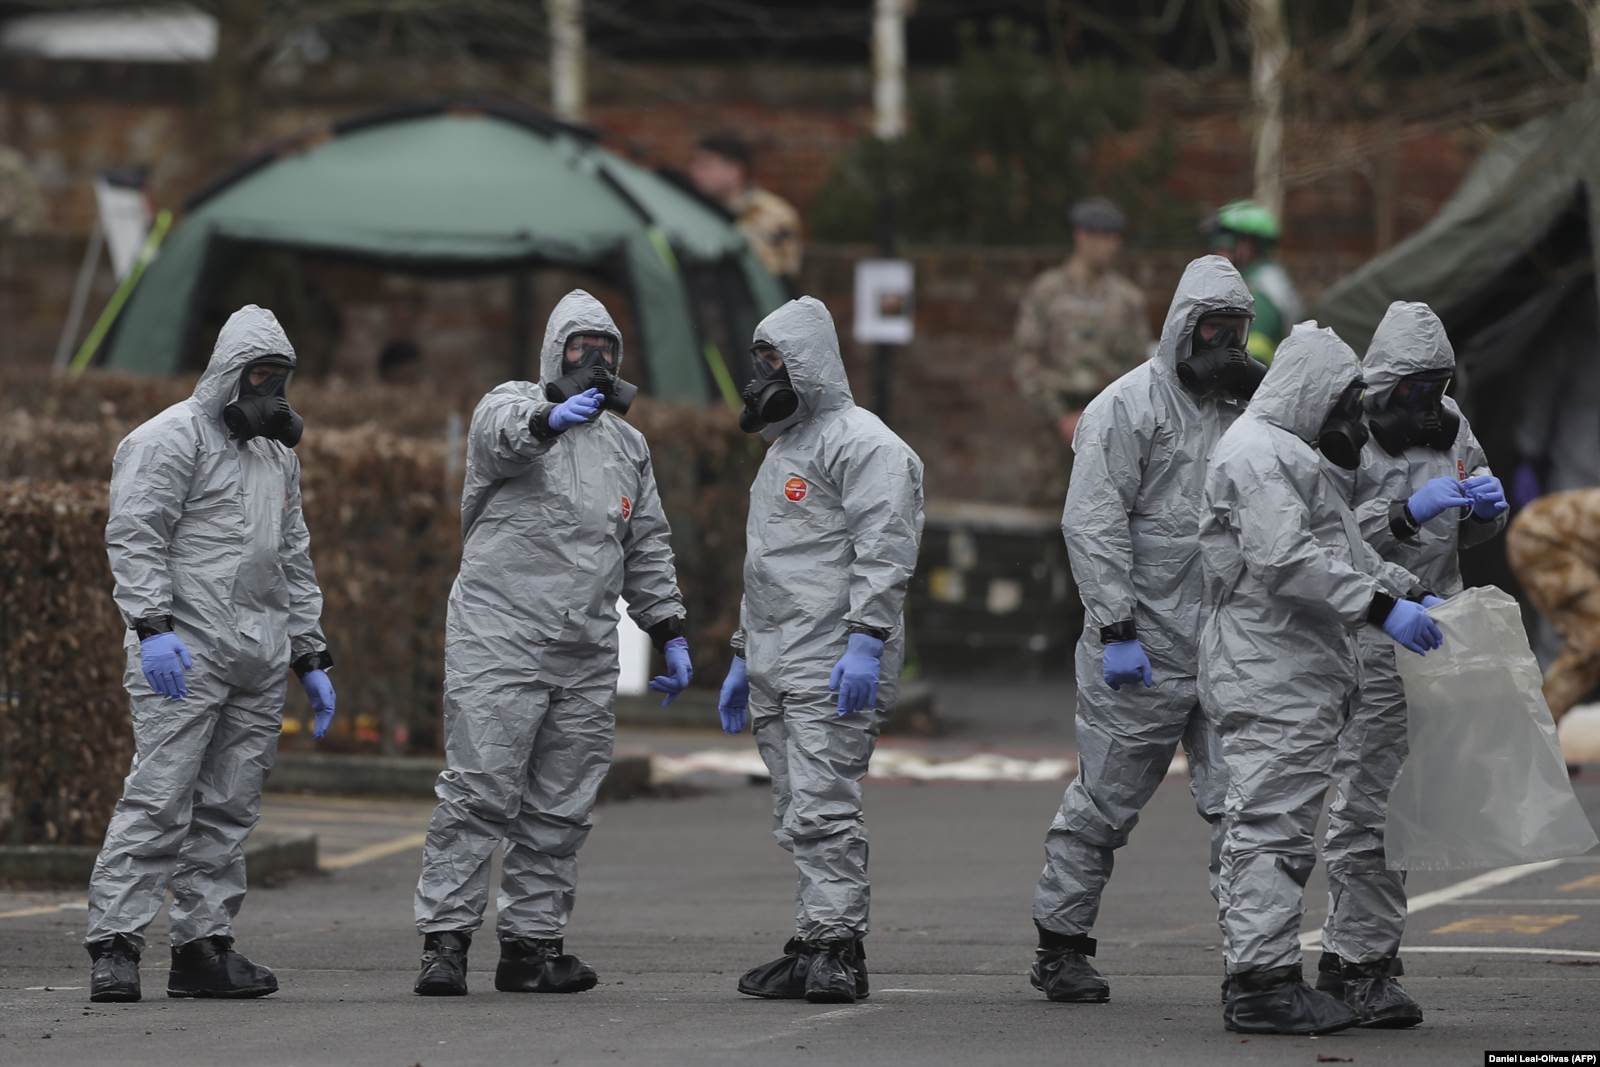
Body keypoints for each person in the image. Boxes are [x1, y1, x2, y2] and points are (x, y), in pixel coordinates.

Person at [412, 290, 692, 997]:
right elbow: (501, 433)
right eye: (579, 347)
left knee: (561, 805)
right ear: (553, 351)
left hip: (586, 646)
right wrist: (546, 418)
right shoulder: (511, 406)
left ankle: (532, 947)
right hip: (500, 636)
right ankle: (445, 943)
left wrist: (667, 627)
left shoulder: (627, 446)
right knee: (479, 791)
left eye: (605, 349)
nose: (593, 360)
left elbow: (645, 542)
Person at [85, 305, 336, 1004]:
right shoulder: (168, 439)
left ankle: (203, 946)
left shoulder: (277, 457)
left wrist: (310, 655)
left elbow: (292, 559)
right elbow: (136, 534)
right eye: (259, 375)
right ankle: (115, 943)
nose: (270, 391)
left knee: (229, 807)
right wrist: (152, 627)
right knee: (160, 798)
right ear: (228, 372)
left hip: (258, 657)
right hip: (184, 653)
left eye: (280, 377)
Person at [1029, 255, 1260, 1004]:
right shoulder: (1126, 407)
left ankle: (1257, 964)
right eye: (1212, 330)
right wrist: (1117, 625)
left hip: (1229, 646)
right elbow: (1093, 522)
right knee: (1103, 805)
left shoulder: (1248, 414)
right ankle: (1061, 945)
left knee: (1245, 809)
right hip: (1143, 646)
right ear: (1182, 326)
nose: (1225, 346)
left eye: (1236, 330)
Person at [1199, 322, 1439, 1036]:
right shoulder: (1256, 453)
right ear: (1313, 394)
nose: (1353, 424)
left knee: (1280, 824)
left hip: (1293, 668)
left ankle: (1265, 976)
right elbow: (1287, 562)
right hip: (1269, 666)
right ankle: (1261, 986)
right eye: (1344, 406)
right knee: (1270, 826)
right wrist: (1384, 609)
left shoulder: (1289, 453)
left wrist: (1411, 592)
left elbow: (1344, 549)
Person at [715, 296, 924, 1005]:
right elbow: (769, 566)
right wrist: (743, 653)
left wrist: (865, 641)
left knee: (823, 805)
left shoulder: (867, 445)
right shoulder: (784, 451)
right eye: (760, 362)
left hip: (832, 655)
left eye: (775, 360)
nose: (763, 376)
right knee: (796, 809)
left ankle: (836, 947)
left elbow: (885, 551)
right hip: (780, 657)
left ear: (808, 363)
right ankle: (815, 941)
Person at [1314, 301, 1506, 1028]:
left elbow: (1474, 528)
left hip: (1434, 630)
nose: (1429, 402)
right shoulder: (1347, 432)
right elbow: (1324, 536)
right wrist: (1402, 513)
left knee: (1407, 802)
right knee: (1372, 804)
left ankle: (1348, 953)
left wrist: (1487, 508)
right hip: (1372, 630)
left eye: (1438, 386)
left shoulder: (1453, 427)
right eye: (1416, 389)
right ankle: (1363, 966)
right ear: (1385, 382)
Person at [1013, 196, 1152, 452]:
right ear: (1082, 236)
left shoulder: (1128, 299)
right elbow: (1027, 357)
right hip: (1053, 425)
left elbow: (1139, 368)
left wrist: (1110, 416)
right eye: (1105, 236)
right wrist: (1058, 416)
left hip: (1109, 426)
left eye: (1116, 237)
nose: (1114, 245)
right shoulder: (1046, 292)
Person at [1508, 488, 1600, 723]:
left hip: (1549, 536)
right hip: (1540, 538)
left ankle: (1535, 726)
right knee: (1591, 643)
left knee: (1592, 647)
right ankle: (1534, 729)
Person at [688, 132, 804, 286]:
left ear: (735, 170)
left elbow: (782, 276)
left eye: (706, 166)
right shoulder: (699, 211)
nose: (695, 173)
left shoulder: (773, 215)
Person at [1206, 199, 1304, 364]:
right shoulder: (1266, 278)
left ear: (1248, 244)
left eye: (1226, 244)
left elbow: (1253, 356)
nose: (1218, 252)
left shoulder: (1259, 292)